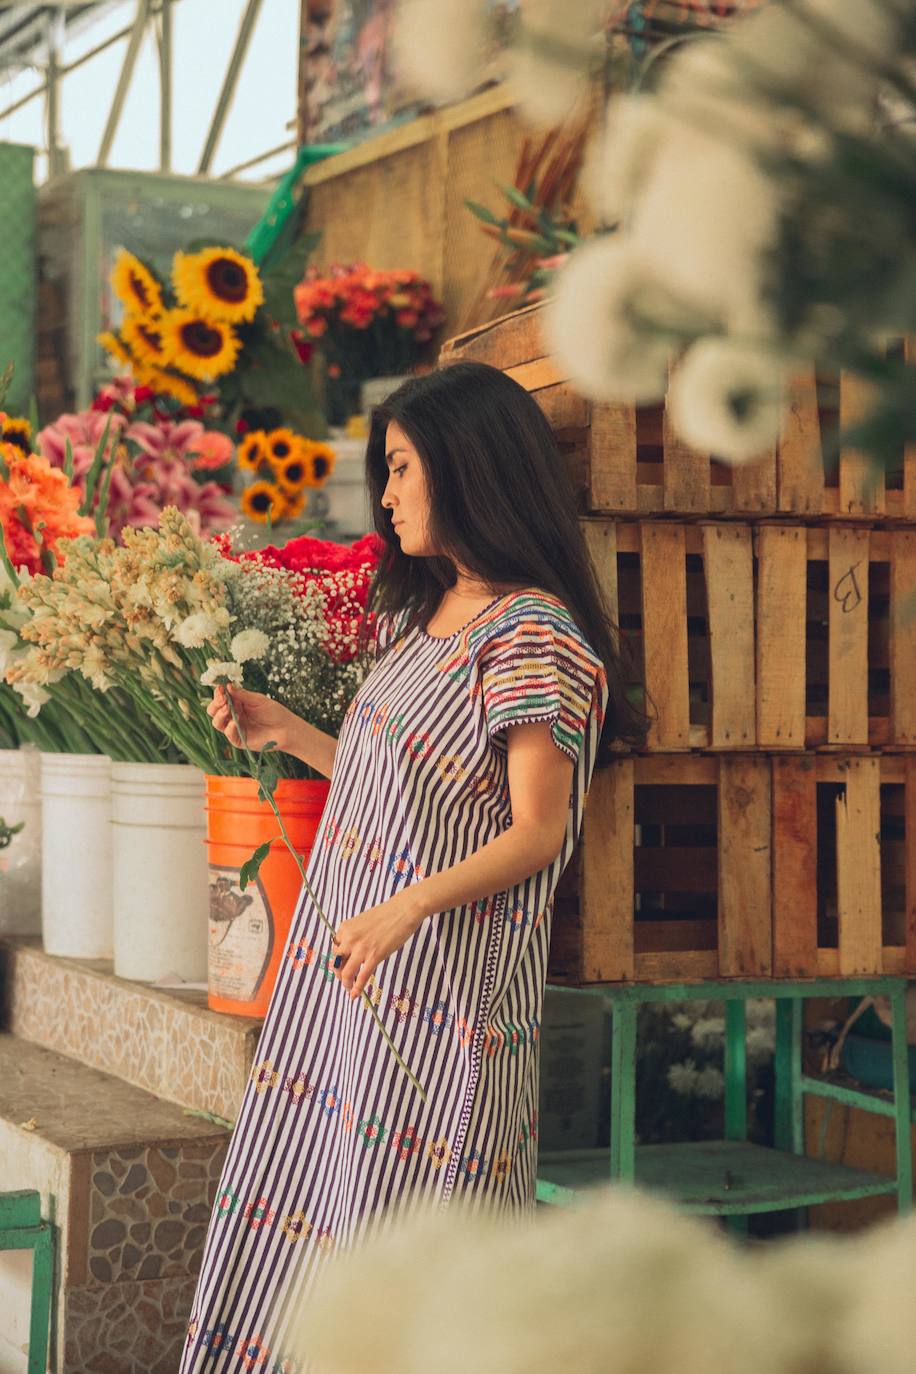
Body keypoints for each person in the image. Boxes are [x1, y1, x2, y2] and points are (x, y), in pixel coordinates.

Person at [179, 360, 650, 1373]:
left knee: (422, 1256)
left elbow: (535, 831)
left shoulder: (532, 633)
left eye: (398, 468)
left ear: (468, 466)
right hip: (350, 994)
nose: (384, 496)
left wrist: (404, 911)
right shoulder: (414, 623)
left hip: (443, 1007)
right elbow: (404, 787)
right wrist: (292, 732)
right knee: (323, 1224)